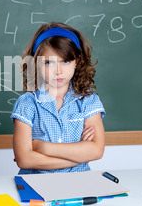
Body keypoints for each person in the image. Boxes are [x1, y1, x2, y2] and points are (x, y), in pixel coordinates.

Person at [11, 22, 105, 174]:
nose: (58, 71)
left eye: (65, 61)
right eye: (48, 63)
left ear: (77, 61)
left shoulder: (89, 100)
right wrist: (78, 155)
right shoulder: (27, 103)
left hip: (79, 182)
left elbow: (96, 150)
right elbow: (24, 159)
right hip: (36, 184)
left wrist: (44, 147)